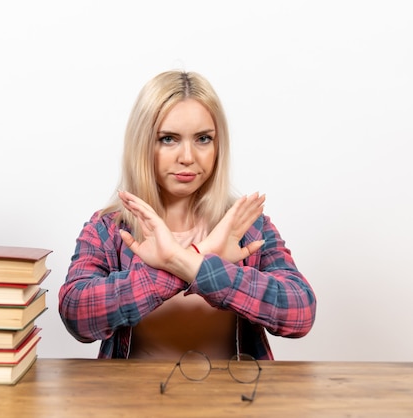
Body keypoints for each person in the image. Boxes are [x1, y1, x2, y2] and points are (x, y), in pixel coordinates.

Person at [58, 70, 316, 360]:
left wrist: (192, 265)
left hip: (233, 401)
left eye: (203, 138)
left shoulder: (246, 226)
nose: (188, 157)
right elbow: (77, 316)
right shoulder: (108, 229)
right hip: (132, 402)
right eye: (168, 139)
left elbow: (300, 312)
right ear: (142, 145)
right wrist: (202, 256)